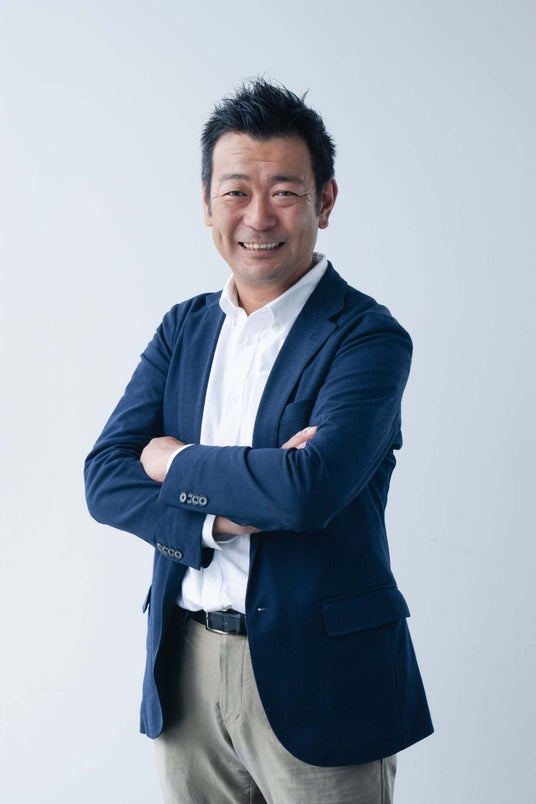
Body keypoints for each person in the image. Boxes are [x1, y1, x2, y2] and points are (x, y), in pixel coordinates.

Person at [84, 79, 433, 804]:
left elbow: (307, 493)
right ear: (207, 204)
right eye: (236, 192)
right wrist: (216, 515)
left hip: (323, 677)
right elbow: (106, 477)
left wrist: (174, 460)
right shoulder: (184, 329)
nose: (258, 216)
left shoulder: (366, 338)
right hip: (185, 667)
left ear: (324, 202)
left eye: (285, 192)